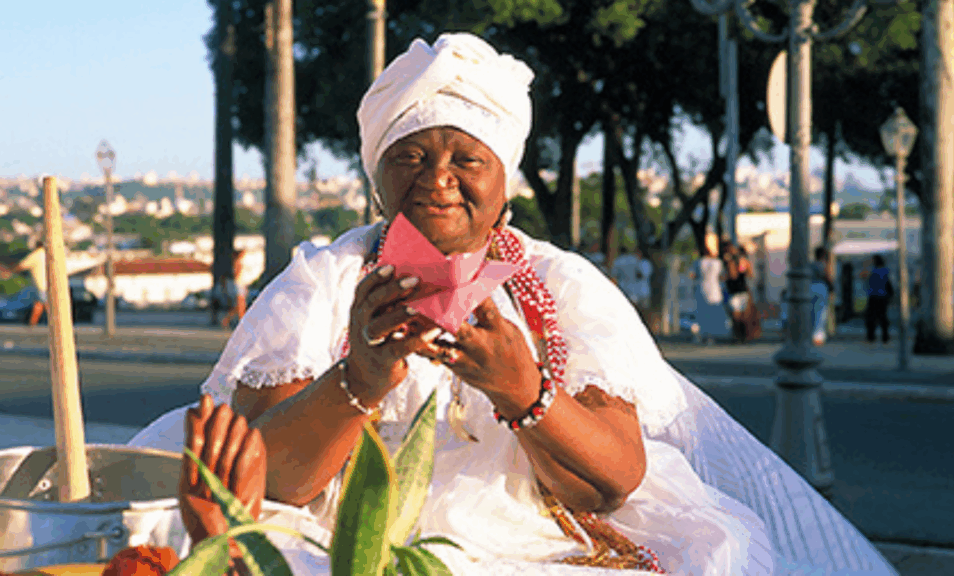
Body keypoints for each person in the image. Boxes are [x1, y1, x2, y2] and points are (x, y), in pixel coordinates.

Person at [129, 33, 895, 575]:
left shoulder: (561, 286)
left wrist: (522, 390)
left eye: (466, 158)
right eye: (410, 157)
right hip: (336, 547)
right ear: (376, 179)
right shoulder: (323, 282)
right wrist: (359, 378)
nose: (438, 179)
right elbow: (264, 482)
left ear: (505, 182)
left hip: (539, 546)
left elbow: (613, 481)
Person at [690, 235, 728, 346]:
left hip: (701, 288)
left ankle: (699, 335)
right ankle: (710, 337)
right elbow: (722, 276)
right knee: (713, 313)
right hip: (714, 289)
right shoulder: (718, 263)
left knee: (701, 313)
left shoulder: (698, 262)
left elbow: (692, 275)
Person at [13, 242, 47, 327]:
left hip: (41, 284)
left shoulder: (36, 255)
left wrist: (11, 271)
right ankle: (33, 322)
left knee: (43, 303)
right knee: (40, 303)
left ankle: (33, 323)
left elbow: (22, 265)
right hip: (48, 284)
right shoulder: (47, 255)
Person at [865, 254, 892, 345]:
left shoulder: (872, 271)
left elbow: (865, 278)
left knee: (871, 317)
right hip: (883, 296)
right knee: (883, 317)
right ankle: (885, 336)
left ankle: (871, 336)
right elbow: (888, 283)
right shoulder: (886, 271)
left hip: (873, 296)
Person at [810, 246, 832, 346]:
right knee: (820, 313)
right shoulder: (823, 265)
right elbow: (826, 276)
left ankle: (811, 335)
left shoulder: (810, 265)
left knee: (812, 312)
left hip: (810, 288)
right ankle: (818, 337)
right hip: (821, 287)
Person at [222, 249, 248, 329]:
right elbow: (236, 274)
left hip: (240, 285)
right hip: (239, 285)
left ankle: (227, 320)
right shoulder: (237, 262)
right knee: (241, 305)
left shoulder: (237, 262)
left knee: (239, 306)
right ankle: (240, 321)